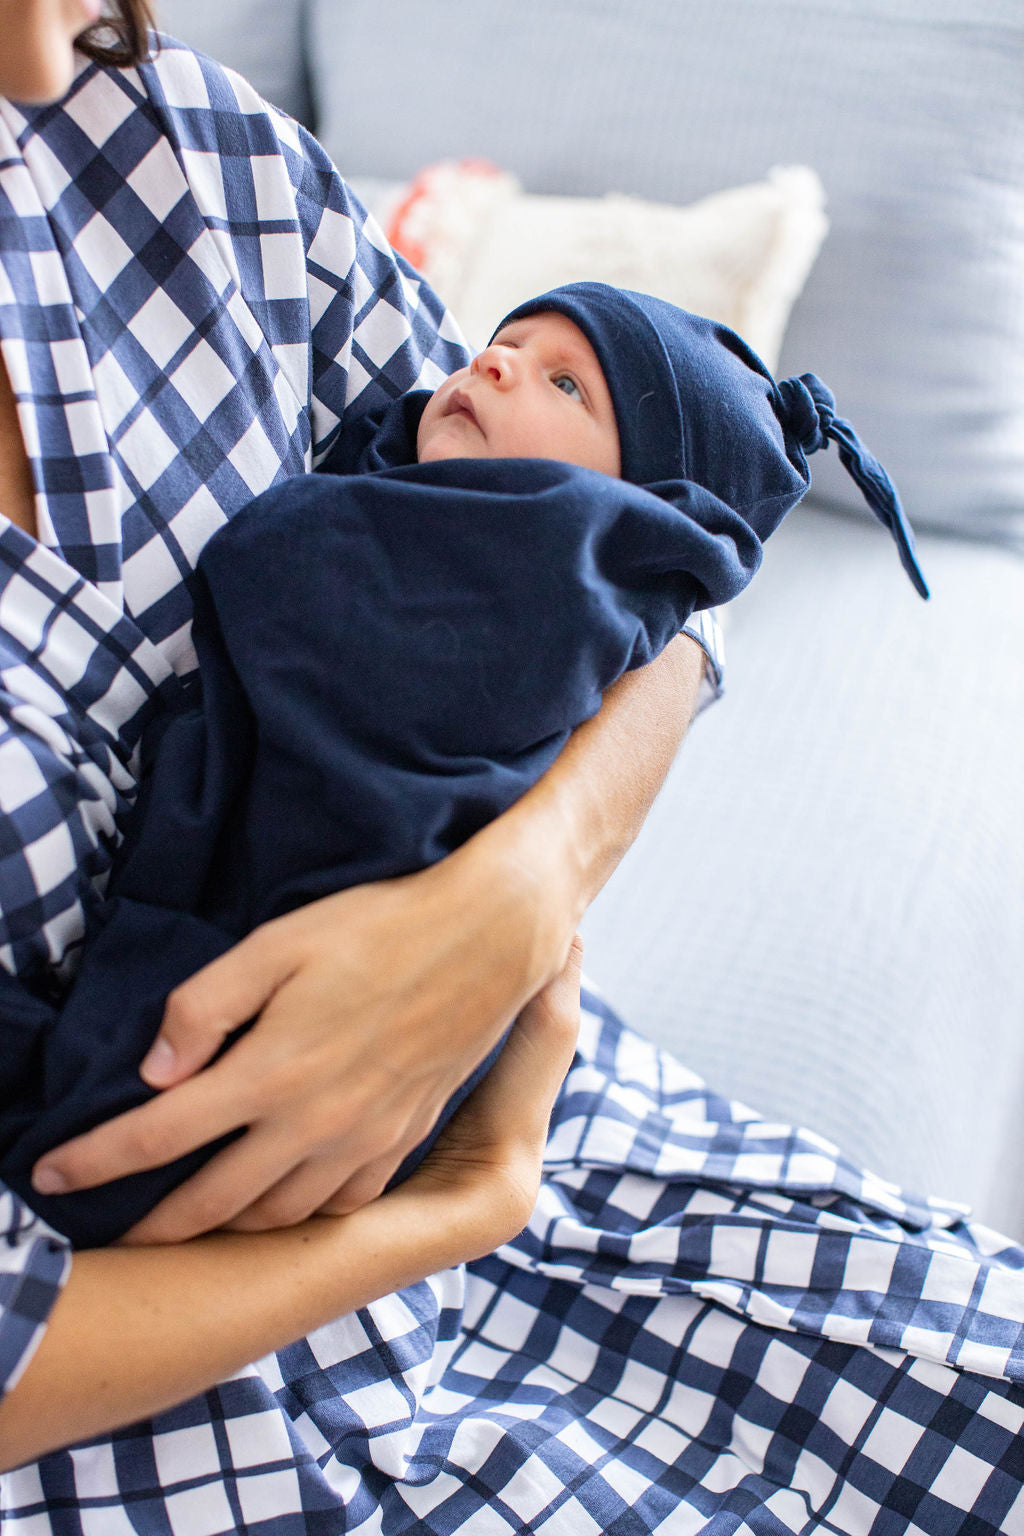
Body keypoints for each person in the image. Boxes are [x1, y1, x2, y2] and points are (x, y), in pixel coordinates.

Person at [2, 10, 1024, 1531]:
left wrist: (514, 900)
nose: (41, 60)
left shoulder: (181, 153)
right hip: (169, 1402)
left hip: (553, 1107)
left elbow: (659, 585)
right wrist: (446, 1213)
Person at [3, 284, 926, 1249]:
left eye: (566, 383)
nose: (493, 363)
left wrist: (532, 879)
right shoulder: (473, 481)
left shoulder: (553, 561)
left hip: (365, 986)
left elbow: (286, 566)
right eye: (505, 342)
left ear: (646, 511)